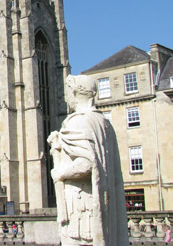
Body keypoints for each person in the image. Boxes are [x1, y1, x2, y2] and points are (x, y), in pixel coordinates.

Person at [48, 74, 128, 246]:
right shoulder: (104, 122)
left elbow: (86, 163)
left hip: (81, 206)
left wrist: (60, 172)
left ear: (75, 93)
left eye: (68, 91)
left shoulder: (78, 122)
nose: (65, 96)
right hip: (100, 204)